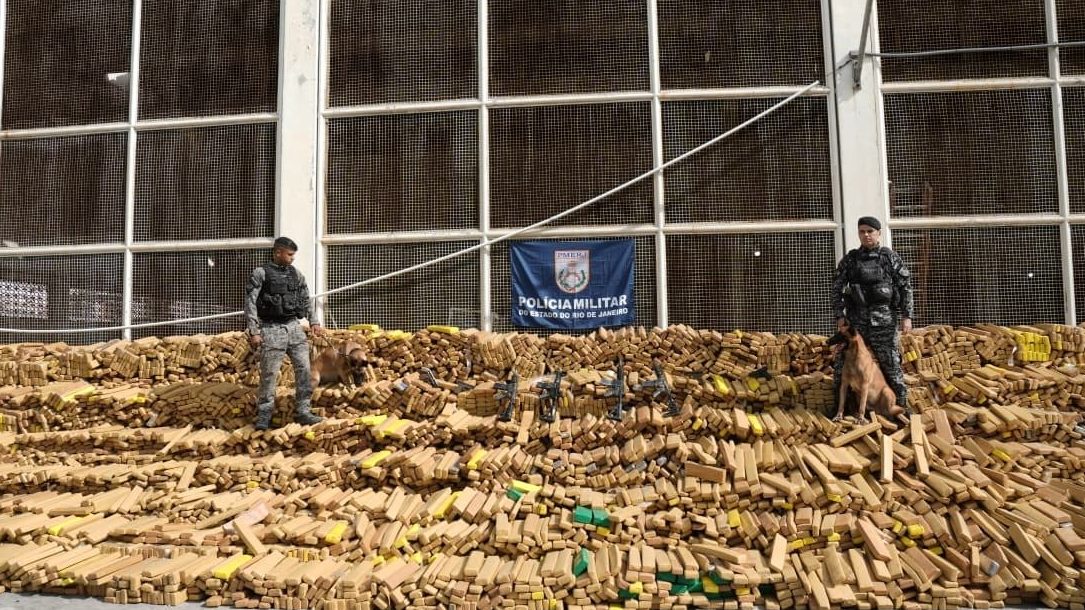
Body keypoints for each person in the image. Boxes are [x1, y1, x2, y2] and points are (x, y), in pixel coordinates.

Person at [831, 217, 914, 416]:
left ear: (878, 233)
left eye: (870, 231)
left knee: (891, 365)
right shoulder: (851, 260)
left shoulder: (889, 258)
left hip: (884, 322)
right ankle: (840, 410)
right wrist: (839, 315)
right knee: (842, 366)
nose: (866, 235)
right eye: (862, 231)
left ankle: (902, 409)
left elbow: (905, 287)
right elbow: (836, 288)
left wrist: (907, 316)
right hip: (857, 324)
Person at [245, 236, 324, 430]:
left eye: (293, 255)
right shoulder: (261, 273)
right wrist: (254, 331)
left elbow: (306, 299)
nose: (292, 258)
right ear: (278, 252)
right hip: (271, 329)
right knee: (270, 374)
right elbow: (250, 303)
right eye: (289, 254)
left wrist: (314, 321)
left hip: (294, 327)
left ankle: (303, 411)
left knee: (304, 370)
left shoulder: (296, 274)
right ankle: (264, 417)